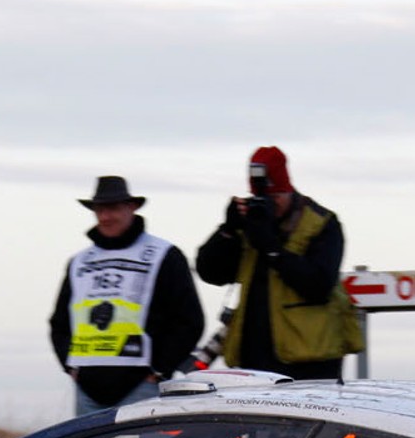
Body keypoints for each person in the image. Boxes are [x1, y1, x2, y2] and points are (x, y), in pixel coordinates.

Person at [195, 146, 362, 380]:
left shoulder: (321, 224)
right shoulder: (251, 223)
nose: (269, 206)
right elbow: (210, 273)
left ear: (288, 189)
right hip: (253, 364)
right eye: (262, 198)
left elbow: (319, 285)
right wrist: (227, 231)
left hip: (310, 363)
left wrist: (272, 248)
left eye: (275, 198)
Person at [50, 176, 205, 416]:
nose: (105, 217)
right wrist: (71, 366)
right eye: (99, 209)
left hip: (142, 386)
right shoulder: (80, 262)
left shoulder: (163, 255)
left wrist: (159, 370)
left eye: (112, 208)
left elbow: (190, 320)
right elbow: (59, 322)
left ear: (132, 207)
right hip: (87, 389)